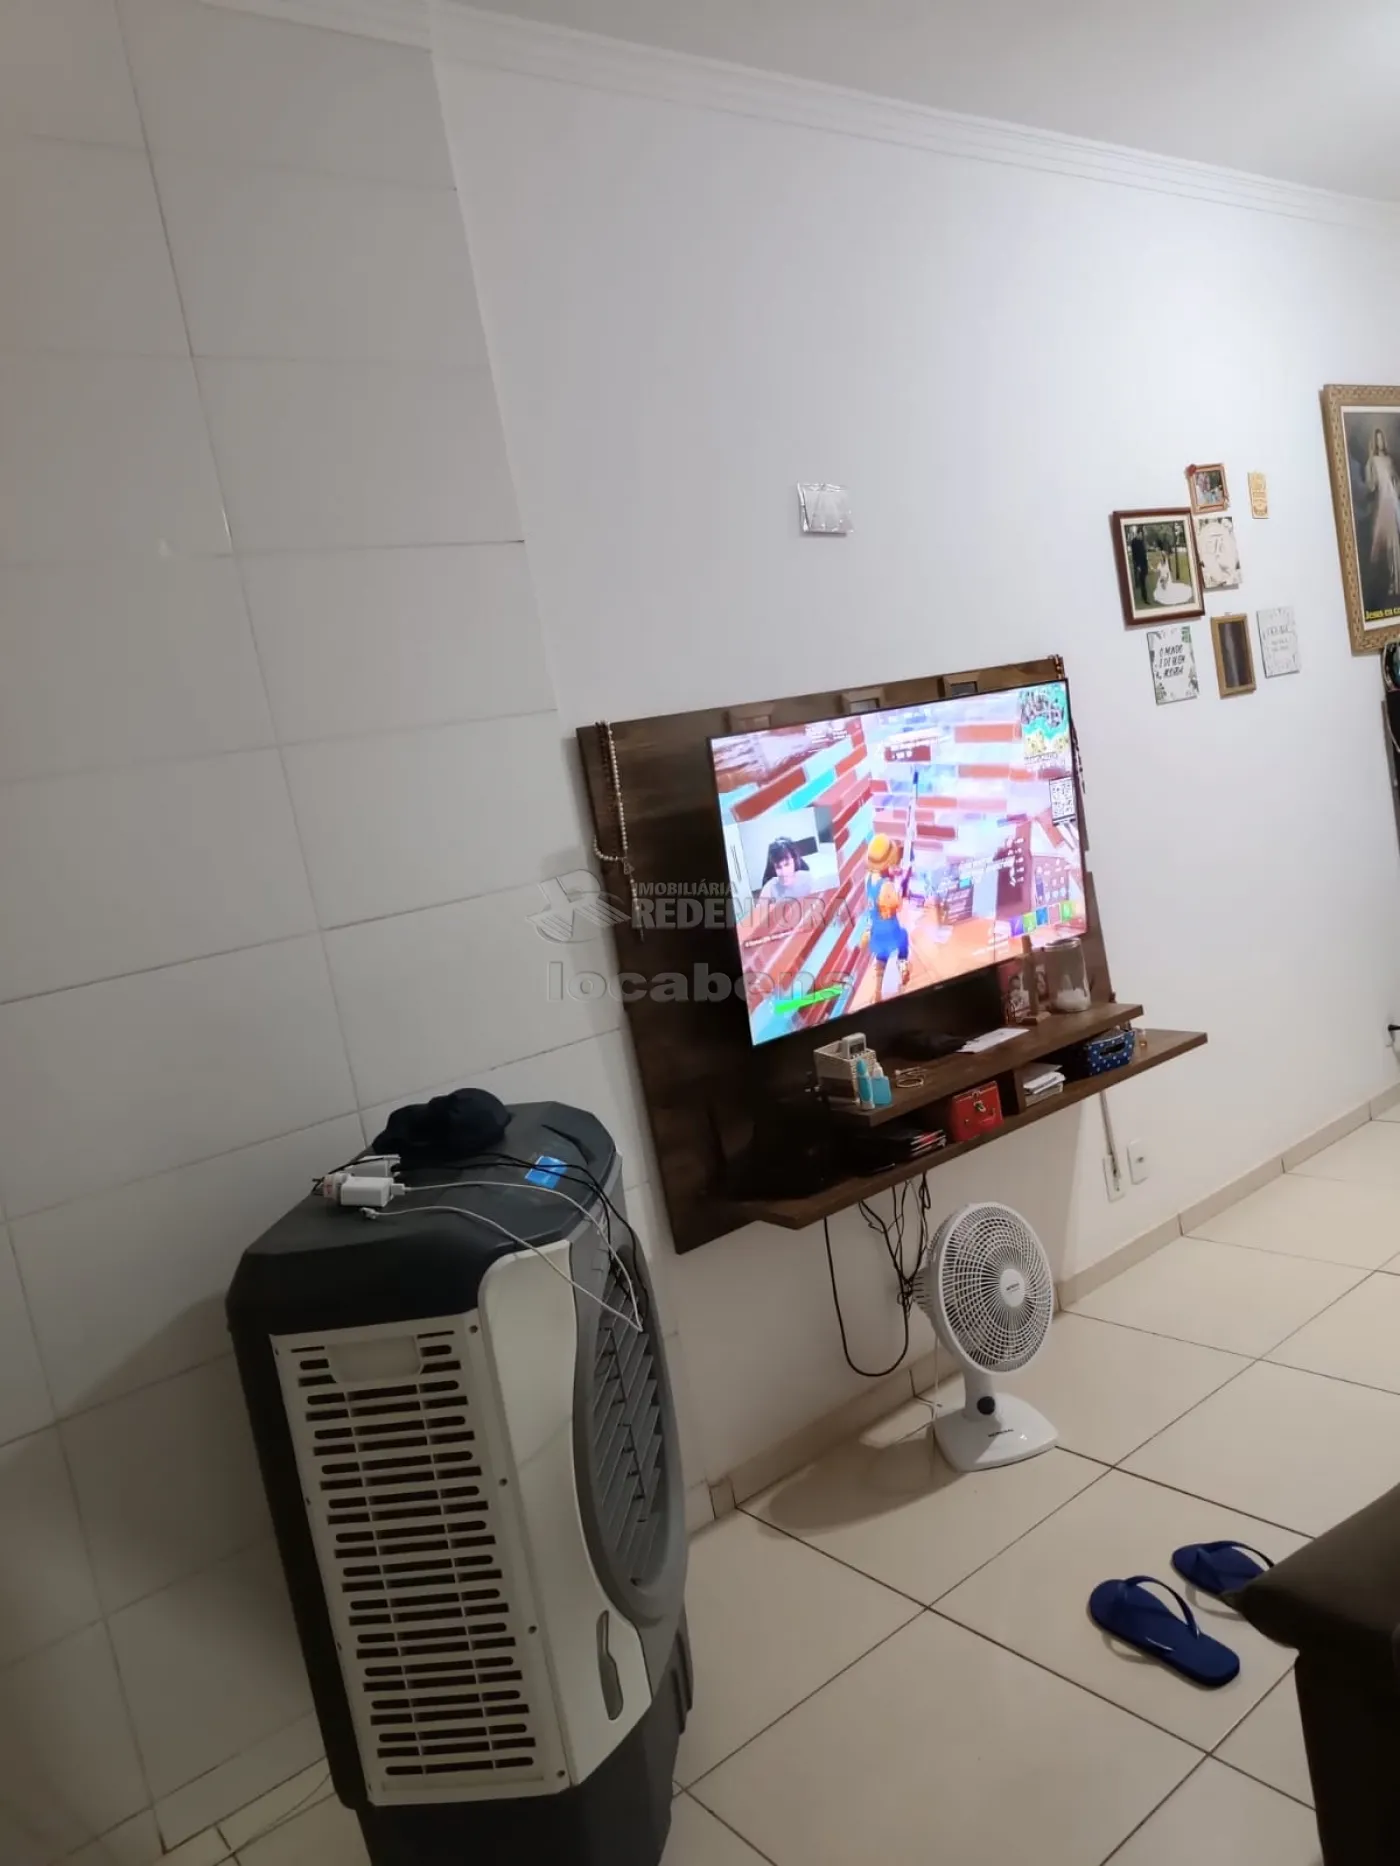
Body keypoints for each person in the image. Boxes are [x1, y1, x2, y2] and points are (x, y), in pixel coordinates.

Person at [1366, 428, 1400, 600]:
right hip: (1381, 504)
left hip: (1392, 503)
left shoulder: (1389, 460)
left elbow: (1396, 480)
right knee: (1382, 545)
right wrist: (1370, 467)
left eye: (1381, 439)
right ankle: (1389, 582)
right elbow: (1371, 485)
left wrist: (1396, 491)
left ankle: (1396, 583)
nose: (1380, 443)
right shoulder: (1373, 461)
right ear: (1375, 441)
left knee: (1395, 544)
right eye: (1377, 440)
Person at [757, 836, 814, 903]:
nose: (784, 872)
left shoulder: (808, 879)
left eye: (787, 864)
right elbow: (760, 908)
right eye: (778, 867)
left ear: (794, 861)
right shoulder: (769, 888)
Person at [1128, 526, 1150, 607]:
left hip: (1144, 563)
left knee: (1144, 580)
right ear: (1137, 533)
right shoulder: (1134, 542)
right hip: (1139, 565)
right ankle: (1145, 598)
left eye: (1142, 534)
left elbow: (1143, 552)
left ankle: (1144, 596)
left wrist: (1146, 558)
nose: (1141, 535)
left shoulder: (1141, 541)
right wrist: (1137, 566)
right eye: (1140, 534)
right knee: (1142, 582)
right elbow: (1134, 555)